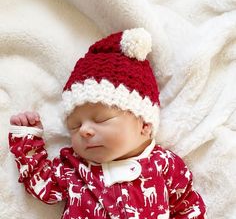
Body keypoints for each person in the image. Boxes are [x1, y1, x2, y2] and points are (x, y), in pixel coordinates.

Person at [9, 28, 207, 219]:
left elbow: (187, 207)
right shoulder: (74, 167)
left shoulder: (165, 164)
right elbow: (42, 184)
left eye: (101, 119)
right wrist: (27, 139)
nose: (84, 130)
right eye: (74, 127)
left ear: (144, 125)